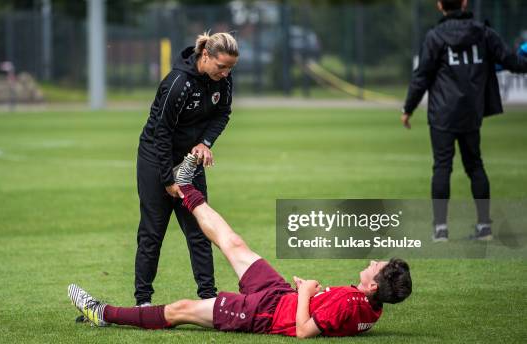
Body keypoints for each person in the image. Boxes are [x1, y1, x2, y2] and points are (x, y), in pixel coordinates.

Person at [69, 154, 412, 338]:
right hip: (279, 296)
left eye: (377, 265)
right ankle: (185, 186)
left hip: (261, 313)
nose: (372, 260)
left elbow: (305, 332)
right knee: (233, 242)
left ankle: (102, 312)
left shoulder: (355, 304)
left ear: (371, 285)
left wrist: (306, 291)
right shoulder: (371, 307)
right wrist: (303, 294)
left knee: (182, 310)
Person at [401, 0, 527, 242]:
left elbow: (422, 76)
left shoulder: (435, 36)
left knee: (441, 167)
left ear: (439, 5)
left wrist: (408, 108)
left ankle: (440, 230)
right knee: (475, 166)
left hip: (442, 114)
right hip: (471, 112)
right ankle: (484, 227)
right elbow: (513, 61)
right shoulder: (483, 32)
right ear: (465, 2)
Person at [134, 32, 238, 305]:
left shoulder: (222, 81)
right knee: (152, 232)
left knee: (199, 231)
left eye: (230, 68)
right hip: (156, 158)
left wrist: (204, 143)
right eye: (221, 67)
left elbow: (222, 113)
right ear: (206, 56)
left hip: (190, 161)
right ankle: (143, 300)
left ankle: (208, 298)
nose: (226, 74)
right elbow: (161, 132)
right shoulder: (177, 83)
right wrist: (168, 179)